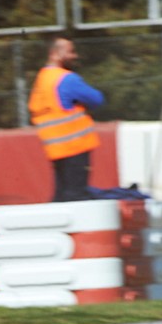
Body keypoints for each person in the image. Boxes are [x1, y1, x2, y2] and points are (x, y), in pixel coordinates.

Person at [28, 36, 105, 202]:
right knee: (77, 196)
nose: (75, 56)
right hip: (75, 146)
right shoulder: (66, 79)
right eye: (70, 52)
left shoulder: (42, 79)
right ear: (55, 54)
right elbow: (97, 99)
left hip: (56, 149)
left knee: (62, 196)